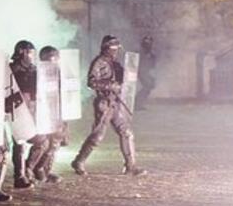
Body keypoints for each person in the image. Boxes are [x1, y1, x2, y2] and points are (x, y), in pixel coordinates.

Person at [71, 35, 146, 176]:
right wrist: (111, 85)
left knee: (126, 133)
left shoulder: (114, 62)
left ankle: (131, 166)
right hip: (104, 103)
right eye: (113, 49)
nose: (115, 51)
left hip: (115, 102)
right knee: (97, 136)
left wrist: (129, 75)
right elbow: (91, 82)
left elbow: (123, 78)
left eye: (117, 49)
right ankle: (79, 161)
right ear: (107, 48)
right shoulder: (98, 62)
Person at [29, 46, 66, 183]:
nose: (56, 60)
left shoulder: (59, 72)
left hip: (56, 111)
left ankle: (44, 169)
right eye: (53, 57)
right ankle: (29, 169)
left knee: (54, 143)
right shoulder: (36, 73)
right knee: (42, 143)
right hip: (43, 111)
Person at [8, 40, 42, 189]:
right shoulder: (12, 69)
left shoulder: (34, 69)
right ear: (21, 52)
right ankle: (19, 176)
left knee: (42, 140)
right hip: (17, 109)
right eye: (29, 52)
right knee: (19, 143)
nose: (31, 56)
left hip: (32, 109)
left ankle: (29, 168)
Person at [135, 35, 157, 110]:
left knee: (150, 85)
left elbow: (152, 65)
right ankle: (137, 103)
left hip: (145, 72)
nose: (148, 45)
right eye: (146, 43)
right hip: (139, 71)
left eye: (149, 43)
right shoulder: (139, 52)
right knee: (148, 86)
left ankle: (138, 103)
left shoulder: (151, 54)